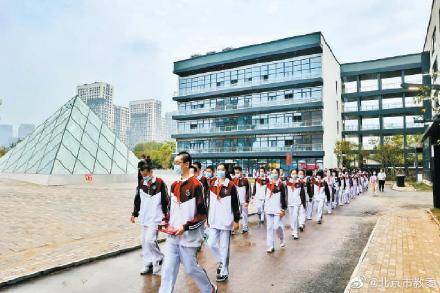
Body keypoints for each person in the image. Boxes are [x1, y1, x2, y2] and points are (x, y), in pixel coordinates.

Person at [158, 151, 216, 293]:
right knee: (167, 270)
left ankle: (209, 289)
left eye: (178, 163)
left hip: (188, 237)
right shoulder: (174, 185)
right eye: (175, 162)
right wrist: (165, 221)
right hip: (173, 236)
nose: (175, 165)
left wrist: (185, 227)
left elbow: (202, 214)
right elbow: (171, 210)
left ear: (186, 164)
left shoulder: (196, 185)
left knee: (191, 268)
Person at [131, 165, 169, 275]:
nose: (144, 176)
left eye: (146, 174)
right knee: (143, 241)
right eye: (142, 174)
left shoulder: (159, 182)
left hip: (156, 217)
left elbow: (166, 199)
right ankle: (148, 263)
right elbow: (137, 200)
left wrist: (166, 216)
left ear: (151, 172)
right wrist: (134, 213)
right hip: (144, 217)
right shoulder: (141, 184)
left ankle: (159, 257)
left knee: (150, 240)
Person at [206, 163, 240, 282]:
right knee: (210, 243)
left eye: (222, 170)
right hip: (214, 220)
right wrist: (207, 218)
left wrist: (236, 220)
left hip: (226, 220)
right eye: (218, 169)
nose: (219, 171)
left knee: (225, 247)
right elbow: (208, 202)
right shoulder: (212, 184)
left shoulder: (230, 185)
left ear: (226, 171)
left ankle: (224, 272)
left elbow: (236, 204)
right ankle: (221, 260)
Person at [265, 168, 287, 253]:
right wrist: (265, 207)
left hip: (278, 209)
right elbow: (266, 197)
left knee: (276, 226)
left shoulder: (281, 185)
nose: (273, 174)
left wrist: (283, 209)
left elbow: (284, 197)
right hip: (269, 209)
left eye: (275, 173)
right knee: (269, 228)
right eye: (272, 173)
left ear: (278, 174)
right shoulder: (268, 185)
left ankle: (282, 239)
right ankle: (270, 246)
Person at [286, 169, 306, 239]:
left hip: (297, 202)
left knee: (295, 216)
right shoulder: (287, 182)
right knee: (292, 217)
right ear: (290, 174)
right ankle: (293, 229)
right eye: (293, 173)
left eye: (295, 173)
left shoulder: (300, 182)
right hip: (290, 202)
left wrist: (303, 202)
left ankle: (295, 232)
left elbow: (302, 193)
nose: (294, 175)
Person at [232, 165, 251, 234]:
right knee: (234, 215)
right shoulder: (233, 180)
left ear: (241, 172)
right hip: (235, 202)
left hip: (243, 202)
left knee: (244, 215)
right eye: (235, 172)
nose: (236, 174)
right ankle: (233, 229)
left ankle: (245, 228)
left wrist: (247, 201)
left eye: (237, 172)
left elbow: (249, 191)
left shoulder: (246, 180)